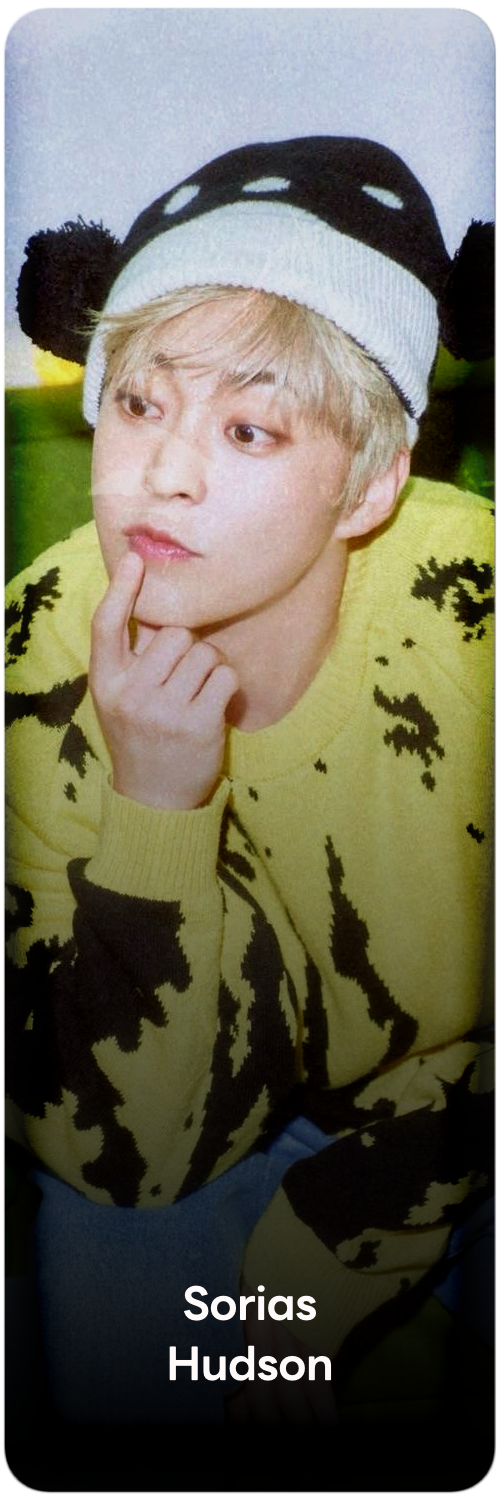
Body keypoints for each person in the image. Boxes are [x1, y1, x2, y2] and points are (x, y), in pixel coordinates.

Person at [2, 136, 496, 1426]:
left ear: (369, 487)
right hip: (213, 1106)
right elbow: (117, 1151)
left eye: (248, 428)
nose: (162, 475)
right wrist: (156, 811)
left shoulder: (475, 624)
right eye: (138, 404)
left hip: (466, 1116)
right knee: (120, 1313)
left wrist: (343, 1239)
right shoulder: (33, 658)